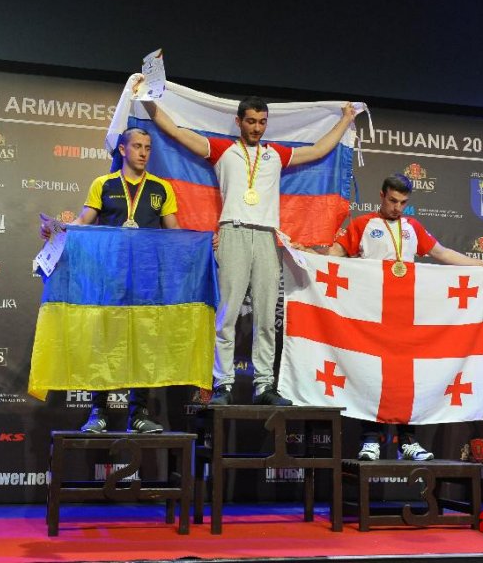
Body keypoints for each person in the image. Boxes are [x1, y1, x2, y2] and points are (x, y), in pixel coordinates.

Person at [141, 95, 358, 405]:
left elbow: (318, 150)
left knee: (267, 316)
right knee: (226, 313)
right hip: (233, 231)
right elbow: (175, 131)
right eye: (251, 121)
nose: (257, 128)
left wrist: (346, 119)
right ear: (239, 121)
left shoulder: (275, 155)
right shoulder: (222, 150)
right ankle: (223, 384)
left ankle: (264, 386)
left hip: (269, 237)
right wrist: (148, 101)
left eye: (262, 122)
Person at [303, 174, 483, 461]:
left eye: (403, 202)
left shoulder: (413, 227)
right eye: (393, 201)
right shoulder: (363, 225)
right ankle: (370, 439)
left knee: (407, 376)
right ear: (382, 196)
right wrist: (309, 255)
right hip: (370, 313)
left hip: (407, 314)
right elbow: (335, 254)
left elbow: (442, 253)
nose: (398, 208)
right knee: (371, 373)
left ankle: (408, 440)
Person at [41, 127, 179, 433]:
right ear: (122, 150)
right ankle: (97, 413)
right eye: (138, 146)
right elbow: (83, 222)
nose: (144, 152)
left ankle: (139, 414)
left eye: (148, 147)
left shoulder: (161, 188)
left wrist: (198, 243)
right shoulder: (103, 185)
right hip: (109, 277)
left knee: (143, 345)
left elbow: (174, 233)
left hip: (145, 280)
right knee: (104, 342)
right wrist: (58, 231)